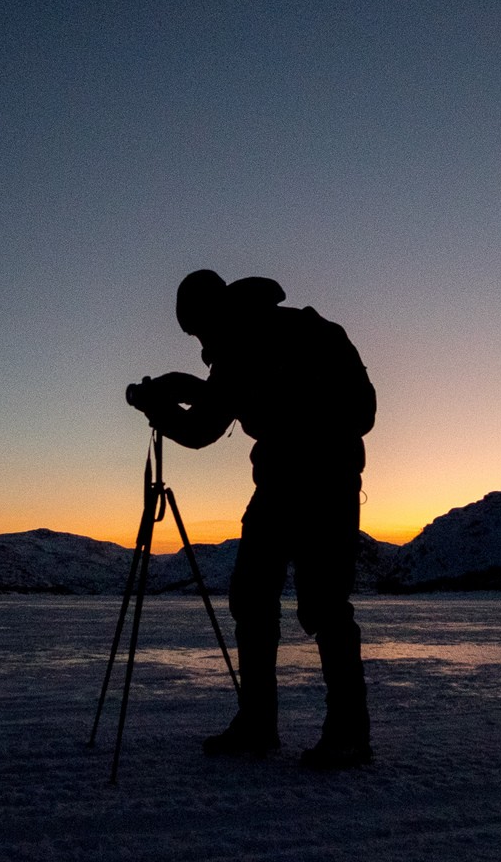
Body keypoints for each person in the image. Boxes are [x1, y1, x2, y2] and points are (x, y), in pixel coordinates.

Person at [126, 269, 377, 770]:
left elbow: (204, 428)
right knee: (255, 596)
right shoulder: (271, 334)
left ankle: (342, 733)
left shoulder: (263, 339)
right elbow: (239, 400)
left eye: (197, 329)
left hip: (317, 482)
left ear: (211, 313)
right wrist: (184, 392)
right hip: (291, 483)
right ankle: (261, 723)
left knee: (320, 604)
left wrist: (158, 410)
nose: (199, 340)